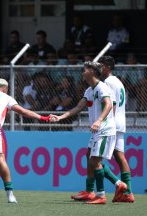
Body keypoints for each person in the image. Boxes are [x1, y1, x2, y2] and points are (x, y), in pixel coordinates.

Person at [50, 61, 127, 205]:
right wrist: (60, 117)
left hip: (104, 129)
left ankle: (101, 195)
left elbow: (109, 104)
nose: (82, 73)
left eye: (85, 70)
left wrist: (98, 120)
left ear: (92, 71)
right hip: (97, 130)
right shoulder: (90, 90)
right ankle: (94, 190)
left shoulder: (102, 87)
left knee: (94, 161)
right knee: (89, 156)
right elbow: (79, 107)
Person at [97, 56, 135, 202]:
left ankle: (116, 186)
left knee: (95, 159)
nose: (98, 68)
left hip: (111, 123)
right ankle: (128, 193)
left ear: (107, 67)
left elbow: (111, 104)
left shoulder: (106, 82)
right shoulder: (118, 81)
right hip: (120, 123)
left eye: (100, 66)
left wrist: (106, 123)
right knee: (120, 157)